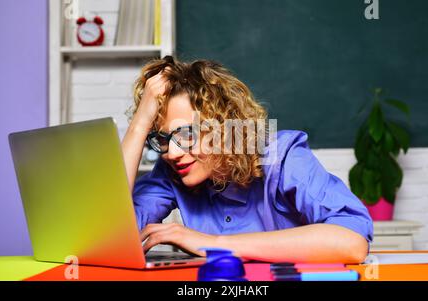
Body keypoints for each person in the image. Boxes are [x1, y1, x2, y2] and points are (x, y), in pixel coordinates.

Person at [121, 56, 373, 263]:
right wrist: (138, 126)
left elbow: (352, 241)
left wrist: (213, 244)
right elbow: (106, 237)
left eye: (187, 134)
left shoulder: (281, 156)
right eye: (162, 139)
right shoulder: (172, 170)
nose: (172, 153)